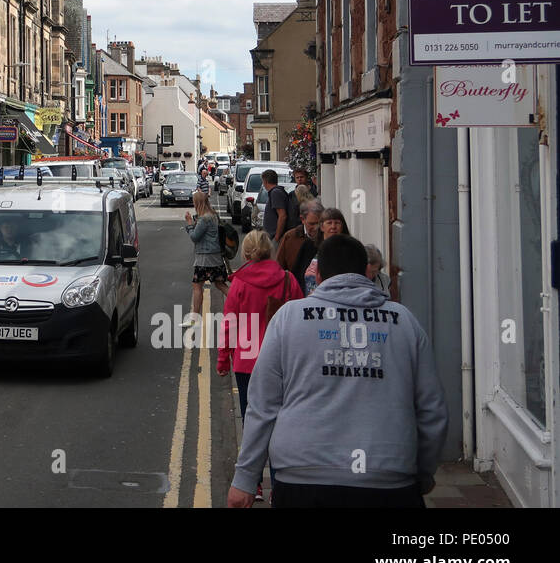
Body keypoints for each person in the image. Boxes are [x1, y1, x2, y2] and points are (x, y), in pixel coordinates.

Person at [227, 235, 449, 508]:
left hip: (303, 478)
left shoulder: (289, 318)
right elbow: (432, 411)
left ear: (318, 275)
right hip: (389, 479)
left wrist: (246, 478)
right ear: (366, 272)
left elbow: (262, 405)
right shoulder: (404, 322)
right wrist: (422, 472)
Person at [218, 228, 303, 501]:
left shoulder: (240, 283)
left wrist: (223, 360)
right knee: (281, 423)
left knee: (251, 421)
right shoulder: (288, 280)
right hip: (282, 363)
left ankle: (252, 483)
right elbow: (304, 321)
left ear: (246, 252)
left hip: (247, 362)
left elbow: (230, 325)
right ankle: (280, 484)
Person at [181, 191, 227, 328]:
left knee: (197, 286)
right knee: (220, 284)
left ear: (198, 203)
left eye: (194, 201)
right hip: (215, 256)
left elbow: (195, 237)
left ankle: (194, 318)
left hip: (204, 258)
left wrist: (189, 224)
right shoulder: (213, 215)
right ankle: (240, 306)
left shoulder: (204, 219)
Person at [301, 208, 349, 294]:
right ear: (322, 227)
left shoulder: (350, 248)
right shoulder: (310, 246)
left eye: (337, 223)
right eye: (329, 223)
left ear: (342, 226)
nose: (333, 226)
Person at [276, 200, 322, 286]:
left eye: (319, 223)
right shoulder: (290, 237)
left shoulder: (327, 237)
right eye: (312, 224)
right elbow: (279, 266)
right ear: (302, 219)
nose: (316, 228)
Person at [261, 169, 296, 247]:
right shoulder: (276, 192)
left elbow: (282, 216)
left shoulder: (275, 193)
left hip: (275, 237)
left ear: (265, 181)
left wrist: (276, 238)